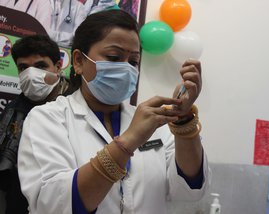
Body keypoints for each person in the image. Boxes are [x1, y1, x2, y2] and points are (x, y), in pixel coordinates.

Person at [18, 10, 210, 214]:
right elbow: (54, 205)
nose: (126, 68)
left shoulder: (154, 123)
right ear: (79, 61)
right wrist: (129, 141)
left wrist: (183, 121)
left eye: (133, 61)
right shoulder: (47, 119)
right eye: (113, 57)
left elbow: (190, 189)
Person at [0, 35, 73, 213]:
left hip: (66, 202)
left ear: (57, 67)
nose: (31, 74)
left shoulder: (75, 107)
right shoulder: (12, 111)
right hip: (18, 202)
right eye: (24, 67)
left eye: (40, 66)